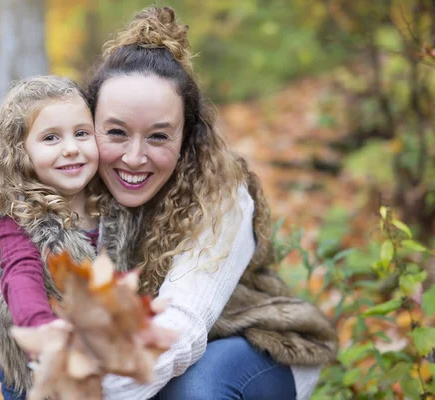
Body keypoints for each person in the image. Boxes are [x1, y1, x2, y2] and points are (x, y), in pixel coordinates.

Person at [84, 6, 338, 400]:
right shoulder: (68, 184)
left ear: (186, 137)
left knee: (195, 390)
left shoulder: (220, 195)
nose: (134, 157)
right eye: (116, 132)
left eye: (157, 137)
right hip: (136, 363)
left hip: (250, 340)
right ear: (90, 125)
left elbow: (180, 329)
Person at [0, 75, 104, 399]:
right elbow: (20, 278)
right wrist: (42, 330)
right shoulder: (20, 218)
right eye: (51, 138)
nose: (71, 149)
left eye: (81, 133)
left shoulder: (111, 206)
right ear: (21, 152)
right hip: (38, 373)